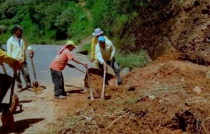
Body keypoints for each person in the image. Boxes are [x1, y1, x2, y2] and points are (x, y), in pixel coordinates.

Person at [7, 24, 34, 92]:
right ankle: (19, 86)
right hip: (15, 60)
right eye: (20, 30)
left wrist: (30, 50)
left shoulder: (23, 38)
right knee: (17, 74)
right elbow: (9, 53)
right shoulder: (10, 41)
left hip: (23, 59)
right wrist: (10, 62)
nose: (22, 31)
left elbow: (27, 45)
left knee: (26, 73)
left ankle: (28, 85)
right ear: (16, 31)